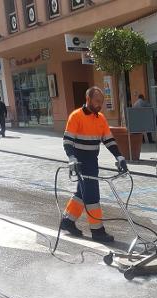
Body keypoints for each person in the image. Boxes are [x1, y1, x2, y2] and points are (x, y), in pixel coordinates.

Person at [60, 86, 128, 243]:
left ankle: (68, 221)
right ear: (88, 99)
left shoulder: (101, 118)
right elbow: (68, 141)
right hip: (80, 161)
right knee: (92, 195)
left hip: (92, 161)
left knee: (82, 193)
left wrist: (119, 156)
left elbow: (109, 140)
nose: (100, 104)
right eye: (97, 101)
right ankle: (97, 231)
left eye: (102, 102)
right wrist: (71, 158)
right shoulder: (76, 116)